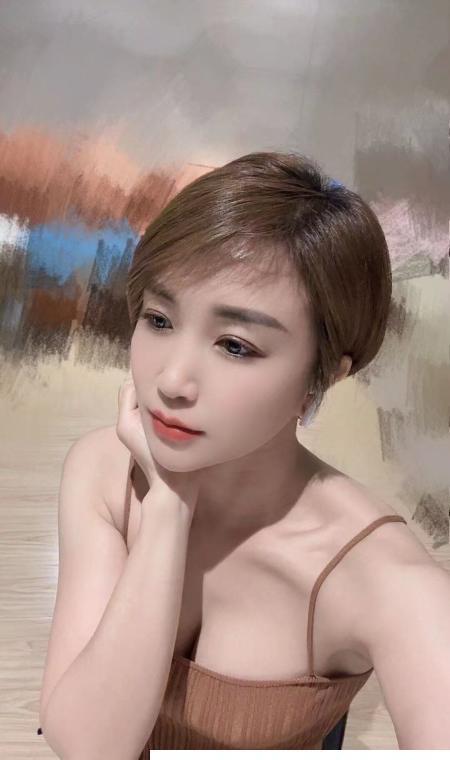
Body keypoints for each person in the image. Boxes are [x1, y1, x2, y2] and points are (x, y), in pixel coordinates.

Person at [38, 151, 442, 756]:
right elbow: (87, 744)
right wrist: (168, 510)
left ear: (324, 375)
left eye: (234, 345)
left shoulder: (384, 578)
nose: (172, 380)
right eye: (159, 319)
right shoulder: (103, 469)